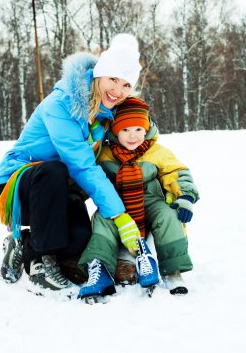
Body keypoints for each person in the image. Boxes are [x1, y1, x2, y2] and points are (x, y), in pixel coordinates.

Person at [0, 33, 143, 293]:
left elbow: (134, 134)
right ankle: (41, 262)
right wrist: (118, 214)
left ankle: (22, 241)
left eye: (127, 85)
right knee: (54, 169)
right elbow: (82, 165)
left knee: (77, 241)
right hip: (19, 188)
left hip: (60, 191)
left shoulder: (107, 113)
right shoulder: (62, 104)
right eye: (113, 79)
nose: (118, 91)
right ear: (100, 73)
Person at [78, 97, 200, 299]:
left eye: (137, 129)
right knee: (101, 221)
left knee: (168, 216)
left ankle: (173, 271)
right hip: (116, 205)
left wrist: (185, 195)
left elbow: (176, 172)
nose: (132, 136)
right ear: (115, 131)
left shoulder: (156, 151)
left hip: (151, 202)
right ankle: (99, 269)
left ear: (147, 129)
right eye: (125, 130)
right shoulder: (105, 154)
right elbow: (89, 178)